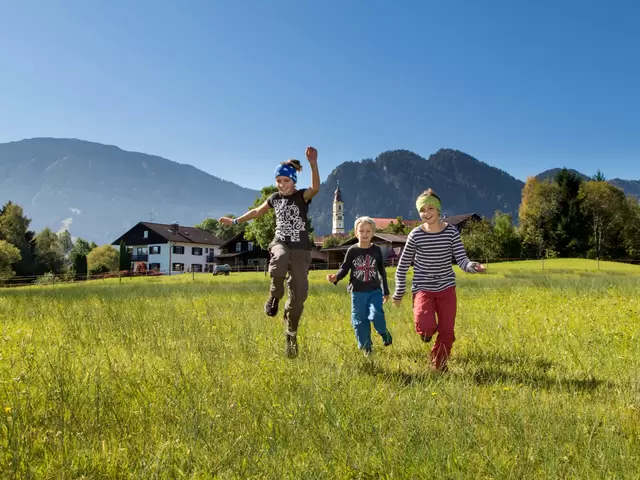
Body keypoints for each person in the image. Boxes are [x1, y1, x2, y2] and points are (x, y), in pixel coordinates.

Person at [219, 146, 319, 358]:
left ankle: (291, 333)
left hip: (301, 250)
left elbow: (316, 187)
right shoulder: (274, 199)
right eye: (279, 180)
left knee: (299, 296)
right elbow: (257, 211)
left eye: (286, 181)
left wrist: (313, 164)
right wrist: (235, 220)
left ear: (294, 182)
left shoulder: (302, 197)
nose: (282, 185)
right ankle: (274, 296)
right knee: (279, 258)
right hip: (280, 242)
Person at [392, 189, 485, 371]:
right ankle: (425, 333)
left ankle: (439, 365)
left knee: (447, 332)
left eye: (430, 208)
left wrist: (472, 266)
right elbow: (402, 266)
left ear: (439, 209)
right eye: (422, 210)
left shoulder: (451, 232)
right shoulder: (415, 235)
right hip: (423, 288)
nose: (427, 213)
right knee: (426, 325)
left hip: (446, 288)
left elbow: (462, 259)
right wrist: (399, 292)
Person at [327, 216, 392, 356]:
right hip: (357, 293)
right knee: (359, 320)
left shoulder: (376, 250)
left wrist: (385, 290)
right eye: (361, 231)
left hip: (374, 291)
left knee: (376, 315)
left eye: (368, 231)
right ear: (356, 233)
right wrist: (336, 277)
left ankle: (384, 332)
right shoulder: (352, 251)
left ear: (373, 233)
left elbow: (382, 271)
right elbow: (344, 269)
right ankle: (366, 349)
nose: (365, 234)